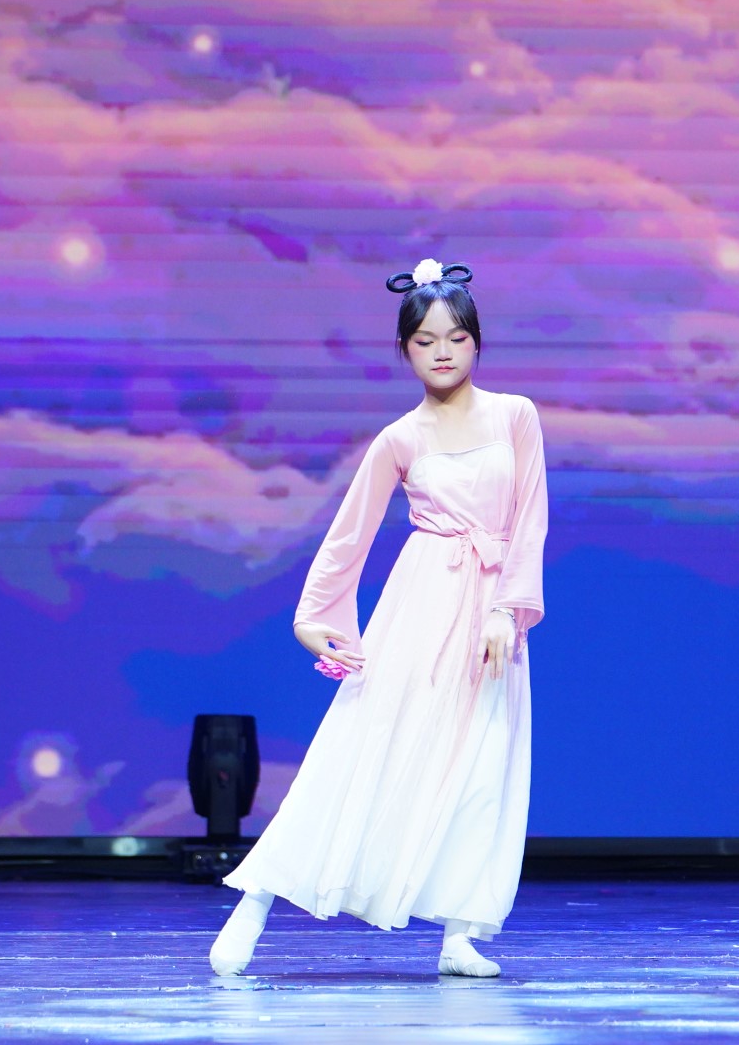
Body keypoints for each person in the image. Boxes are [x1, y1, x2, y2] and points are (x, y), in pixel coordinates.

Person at [208, 259, 548, 979]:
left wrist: (507, 609)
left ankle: (459, 934)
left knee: (483, 766)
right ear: (405, 350)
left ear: (477, 341)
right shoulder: (399, 437)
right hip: (421, 602)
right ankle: (256, 900)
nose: (442, 352)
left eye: (456, 337)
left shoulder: (516, 416)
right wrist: (314, 617)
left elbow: (530, 520)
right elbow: (349, 535)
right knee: (361, 748)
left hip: (491, 609)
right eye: (425, 341)